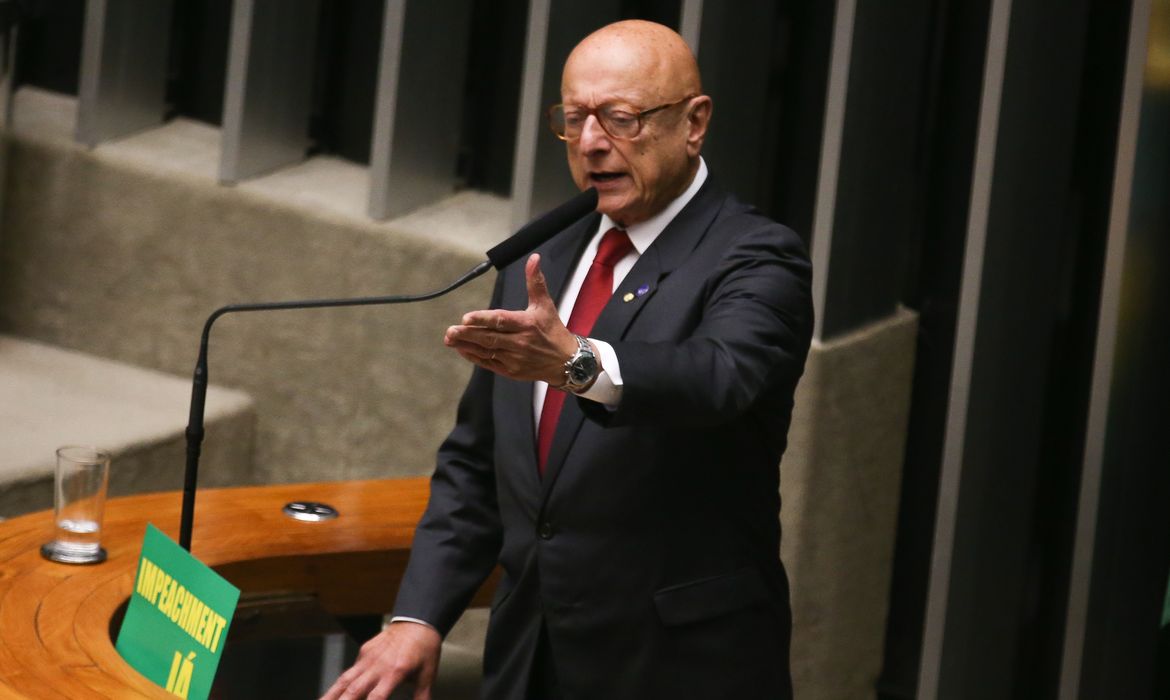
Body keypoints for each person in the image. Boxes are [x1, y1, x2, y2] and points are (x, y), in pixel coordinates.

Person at [323, 19, 812, 700]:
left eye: (620, 118)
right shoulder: (543, 258)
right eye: (575, 117)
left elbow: (718, 378)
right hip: (531, 658)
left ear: (694, 123)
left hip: (678, 667)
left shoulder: (755, 257)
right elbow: (478, 463)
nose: (589, 143)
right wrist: (418, 616)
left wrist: (576, 364)